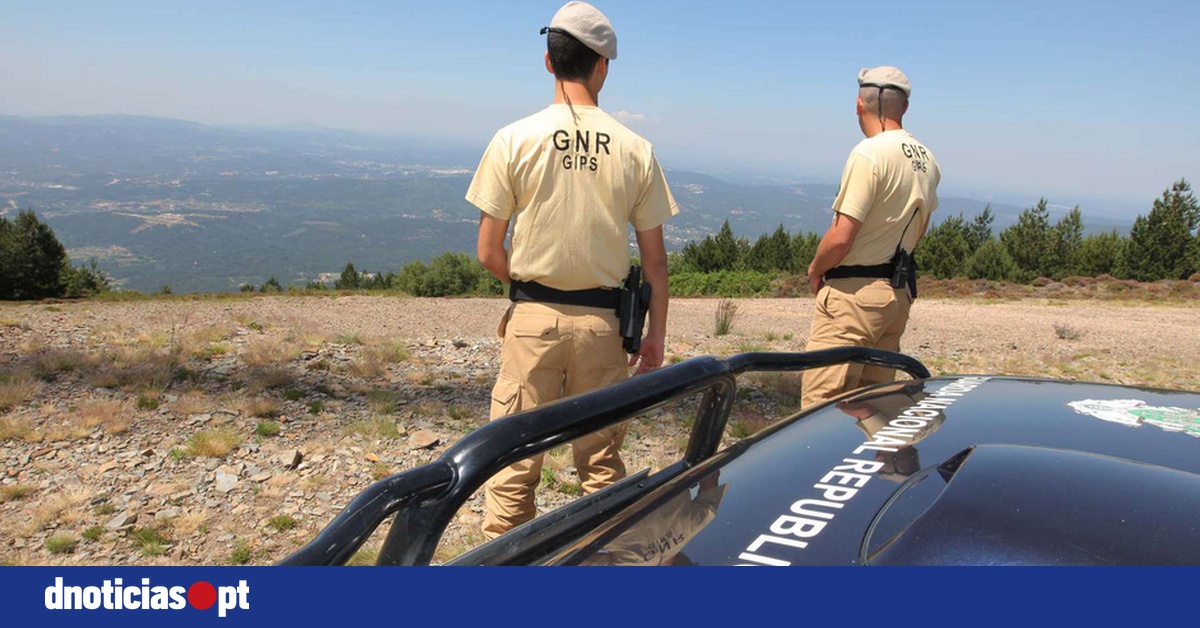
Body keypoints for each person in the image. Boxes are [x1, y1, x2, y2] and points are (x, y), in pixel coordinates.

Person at [466, 1, 679, 540]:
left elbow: (490, 251)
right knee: (601, 468)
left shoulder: (513, 138)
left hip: (532, 321)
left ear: (548, 62)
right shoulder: (636, 148)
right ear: (602, 66)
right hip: (605, 330)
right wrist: (654, 338)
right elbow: (654, 261)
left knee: (512, 466)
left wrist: (532, 288)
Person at [801, 66, 941, 410]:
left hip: (854, 294)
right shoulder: (927, 159)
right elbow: (920, 229)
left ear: (859, 104)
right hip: (897, 295)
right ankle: (879, 465)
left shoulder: (869, 153)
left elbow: (842, 235)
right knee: (871, 406)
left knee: (821, 407)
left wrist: (816, 269)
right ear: (904, 107)